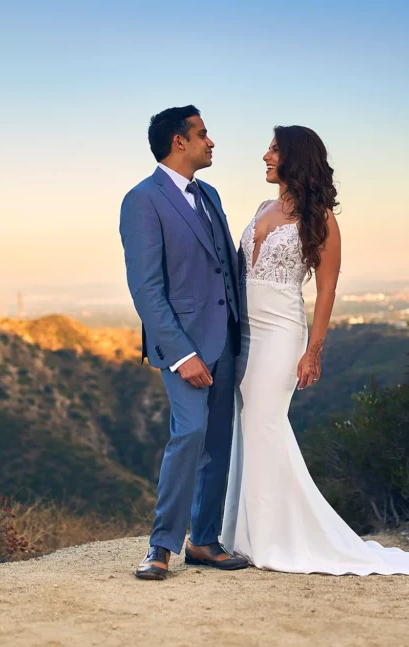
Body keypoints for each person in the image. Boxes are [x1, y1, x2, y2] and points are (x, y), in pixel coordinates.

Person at [220, 125, 409, 580]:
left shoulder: (322, 219)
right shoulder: (263, 207)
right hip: (244, 337)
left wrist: (313, 351)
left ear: (295, 156)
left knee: (264, 422)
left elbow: (327, 288)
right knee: (246, 425)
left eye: (274, 149)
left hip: (280, 334)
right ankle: (245, 535)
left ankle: (279, 537)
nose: (265, 156)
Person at [119, 106, 249, 580]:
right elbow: (146, 288)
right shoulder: (142, 200)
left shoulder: (209, 193)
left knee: (218, 441)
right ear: (179, 141)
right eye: (203, 133)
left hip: (227, 339)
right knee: (189, 434)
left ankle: (206, 541)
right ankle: (160, 547)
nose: (211, 142)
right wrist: (182, 354)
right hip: (185, 348)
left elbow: (223, 268)